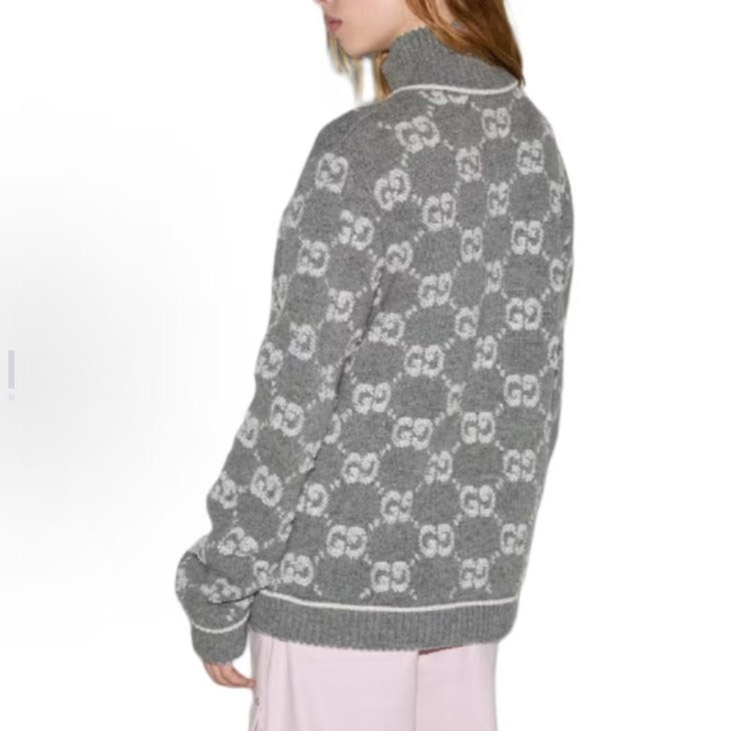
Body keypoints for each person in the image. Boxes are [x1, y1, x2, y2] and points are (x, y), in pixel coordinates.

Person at [174, 1, 574, 729]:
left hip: (328, 600)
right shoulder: (532, 142)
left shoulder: (362, 149)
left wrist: (219, 583)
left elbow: (293, 398)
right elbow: (531, 401)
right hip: (468, 602)